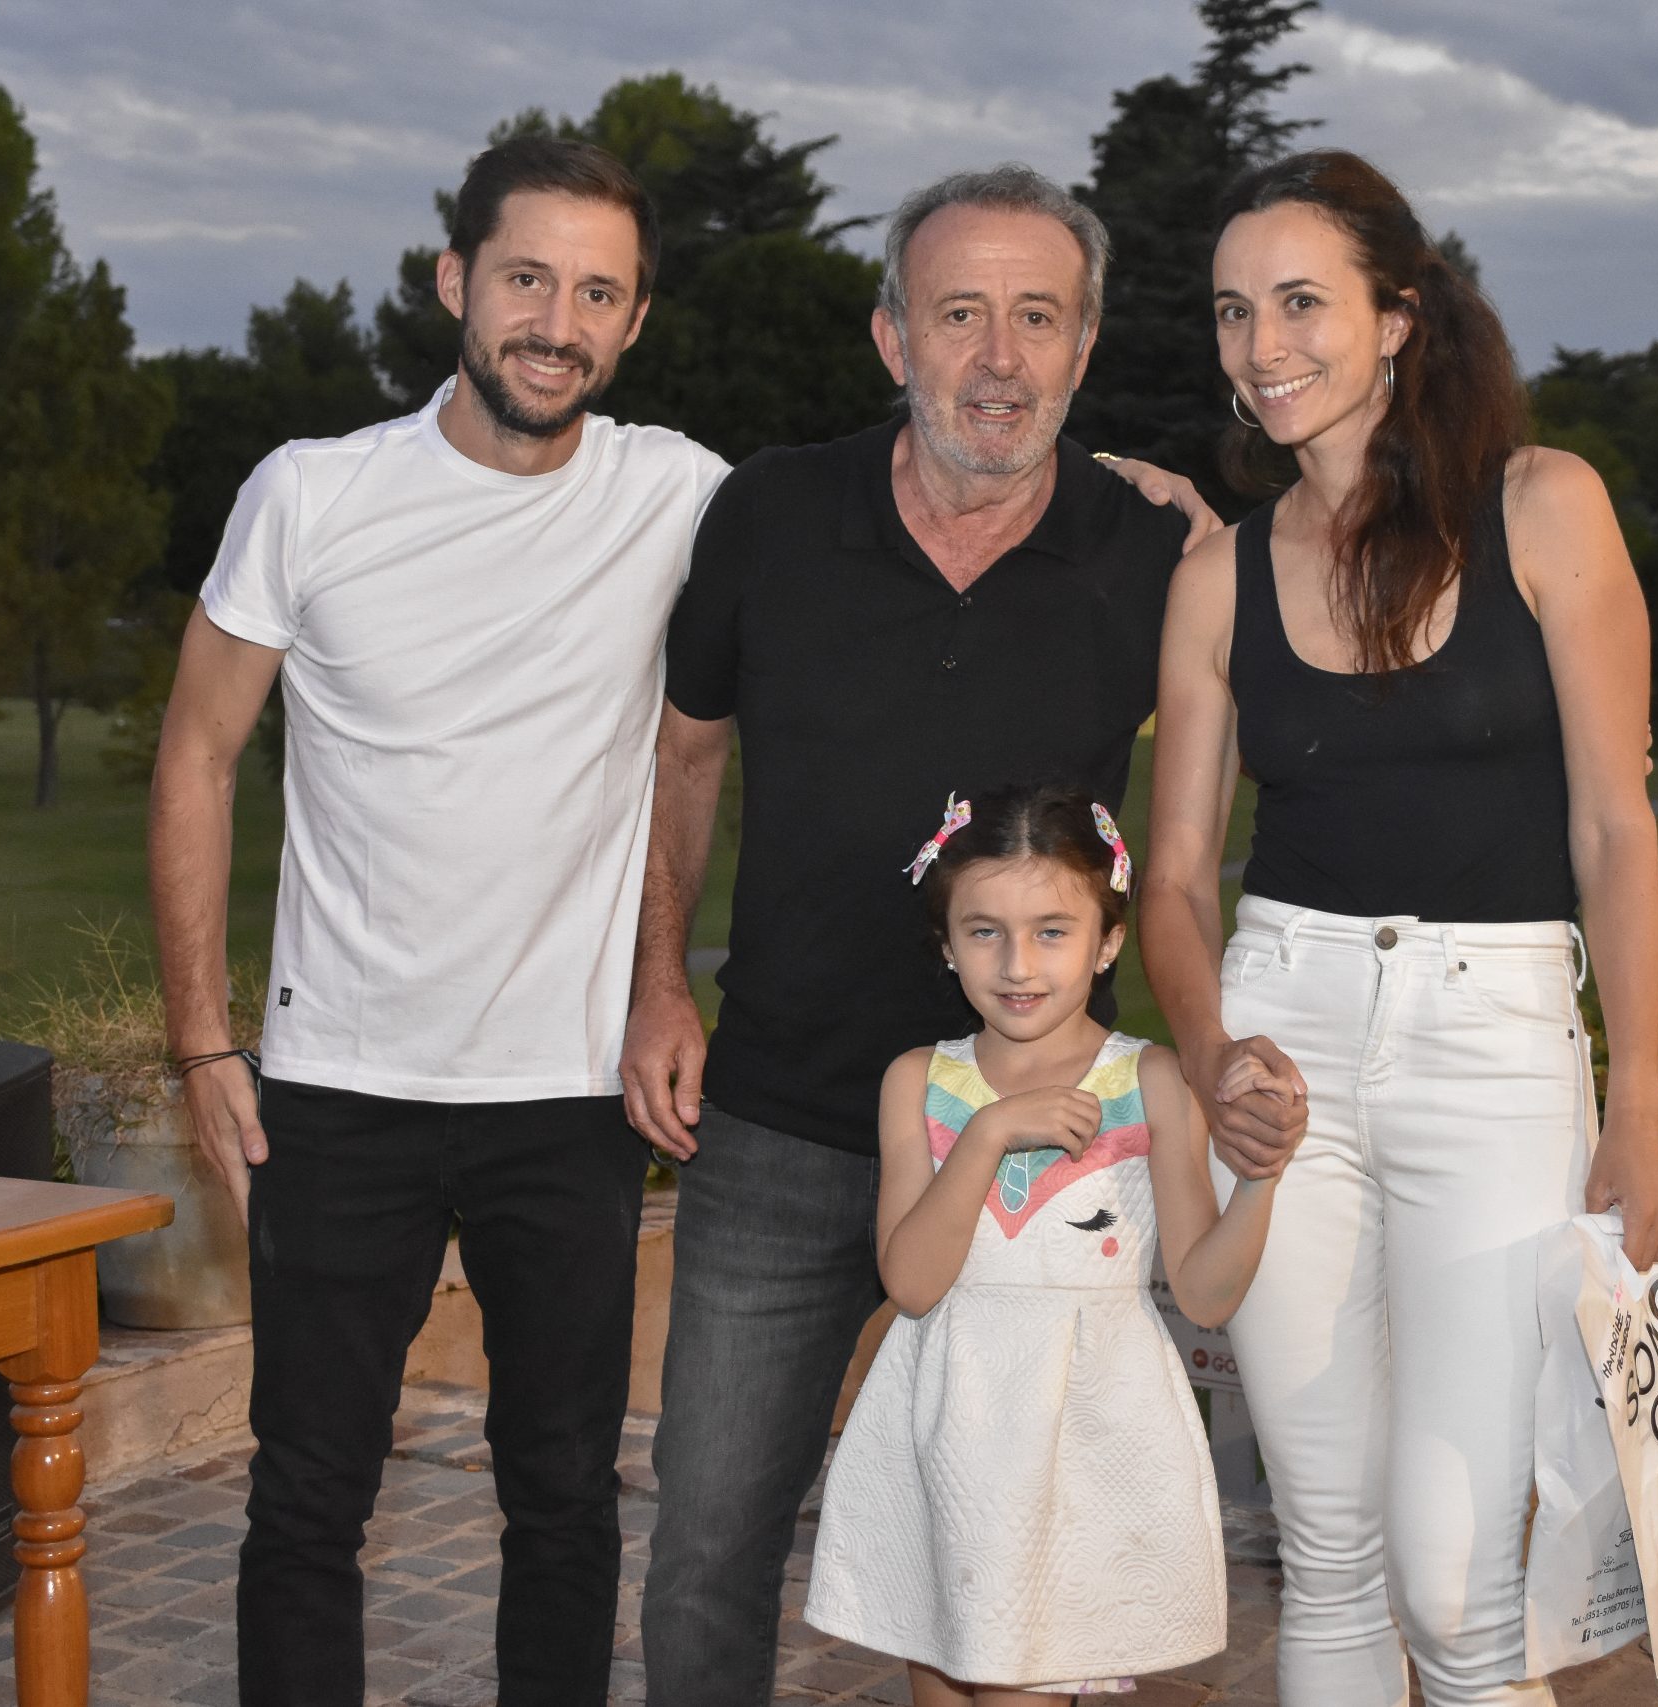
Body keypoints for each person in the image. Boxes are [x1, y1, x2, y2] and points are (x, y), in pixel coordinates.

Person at [621, 163, 1243, 1706]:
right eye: (960, 313)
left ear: (1085, 345)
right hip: (785, 1112)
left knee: (1022, 1550)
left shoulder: (1152, 554)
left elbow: (1201, 832)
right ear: (893, 336)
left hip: (1041, 1139)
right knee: (707, 1539)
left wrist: (1211, 1062)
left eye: (1039, 317)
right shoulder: (772, 512)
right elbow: (684, 754)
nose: (1000, 357)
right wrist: (656, 986)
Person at [148, 136, 727, 1706]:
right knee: (306, 1499)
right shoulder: (312, 493)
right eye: (528, 277)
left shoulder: (680, 496)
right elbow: (196, 753)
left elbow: (899, 511)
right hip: (341, 1089)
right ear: (455, 279)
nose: (558, 322)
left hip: (569, 1093)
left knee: (566, 1495)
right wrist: (200, 1038)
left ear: (635, 321)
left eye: (598, 293)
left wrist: (1136, 487)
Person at [1140, 150, 1658, 1706]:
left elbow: (1615, 827)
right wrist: (1213, 1052)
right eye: (1233, 310)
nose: (1262, 345)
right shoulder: (1218, 577)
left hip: (1496, 1047)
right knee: (1326, 1546)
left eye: (1300, 302)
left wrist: (1637, 1103)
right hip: (1285, 1040)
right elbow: (1173, 879)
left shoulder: (1545, 506)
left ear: (1397, 317)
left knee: (1454, 1575)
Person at [804, 783, 1291, 1704]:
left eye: (1053, 931)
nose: (1018, 963)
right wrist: (989, 1132)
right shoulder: (917, 1081)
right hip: (946, 1436)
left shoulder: (1151, 1081)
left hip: (1080, 1446)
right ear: (946, 943)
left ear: (1108, 941)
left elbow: (1205, 1293)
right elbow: (912, 1282)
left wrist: (1262, 1176)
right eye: (984, 930)